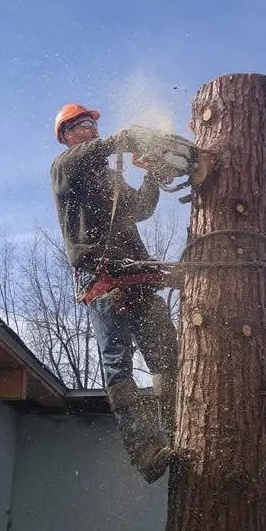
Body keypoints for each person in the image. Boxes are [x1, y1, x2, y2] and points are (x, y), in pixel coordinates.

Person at [50, 103, 178, 483]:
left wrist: (153, 175)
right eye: (83, 125)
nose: (91, 129)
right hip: (102, 277)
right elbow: (97, 150)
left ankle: (178, 433)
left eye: (92, 124)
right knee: (118, 365)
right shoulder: (64, 168)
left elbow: (141, 209)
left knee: (167, 358)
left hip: (136, 274)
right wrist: (122, 139)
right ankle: (146, 451)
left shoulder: (109, 178)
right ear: (67, 135)